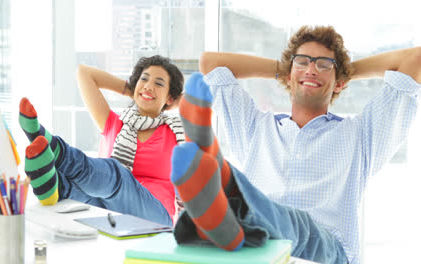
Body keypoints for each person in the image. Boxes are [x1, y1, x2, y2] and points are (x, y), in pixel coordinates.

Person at [169, 25, 421, 264]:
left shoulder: (361, 134)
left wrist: (344, 71)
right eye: (302, 61)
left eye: (323, 64)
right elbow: (211, 63)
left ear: (340, 83)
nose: (311, 70)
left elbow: (415, 58)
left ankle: (227, 205)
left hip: (325, 249)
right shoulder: (257, 128)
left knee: (290, 219)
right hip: (264, 244)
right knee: (245, 192)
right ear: (288, 76)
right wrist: (295, 69)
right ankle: (224, 195)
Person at [19, 55, 184, 226]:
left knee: (117, 174)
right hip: (110, 213)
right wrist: (134, 90)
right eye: (144, 79)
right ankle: (54, 188)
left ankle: (56, 149)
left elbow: (201, 101)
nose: (149, 85)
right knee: (81, 192)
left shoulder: (175, 132)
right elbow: (84, 73)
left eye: (158, 84)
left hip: (156, 216)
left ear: (170, 98)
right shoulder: (114, 123)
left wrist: (167, 99)